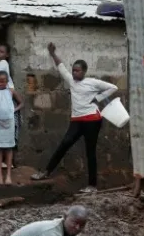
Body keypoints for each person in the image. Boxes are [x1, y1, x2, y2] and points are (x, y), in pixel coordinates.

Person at [31, 43, 119, 194]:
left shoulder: (92, 82)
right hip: (77, 120)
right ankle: (45, 172)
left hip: (92, 120)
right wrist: (53, 54)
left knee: (90, 151)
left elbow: (113, 88)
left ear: (84, 71)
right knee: (64, 144)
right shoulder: (71, 80)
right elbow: (61, 66)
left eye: (77, 71)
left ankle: (92, 186)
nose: (74, 73)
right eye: (73, 70)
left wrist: (98, 98)